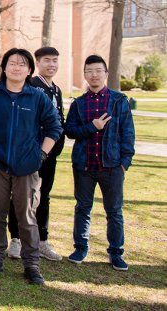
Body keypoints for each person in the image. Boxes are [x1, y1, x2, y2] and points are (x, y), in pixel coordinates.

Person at [0, 48, 62, 286]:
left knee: (27, 217)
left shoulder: (37, 97)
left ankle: (31, 265)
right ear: (4, 67)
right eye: (12, 63)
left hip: (27, 166)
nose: (17, 67)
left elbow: (54, 128)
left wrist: (41, 155)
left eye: (22, 64)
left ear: (29, 70)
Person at [65, 55, 135, 271]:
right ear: (85, 74)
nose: (94, 75)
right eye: (89, 71)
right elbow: (70, 131)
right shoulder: (79, 104)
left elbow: (128, 133)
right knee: (83, 208)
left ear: (105, 73)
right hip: (84, 166)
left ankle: (116, 252)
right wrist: (92, 126)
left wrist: (124, 162)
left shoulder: (118, 101)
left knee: (114, 211)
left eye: (98, 70)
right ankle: (80, 247)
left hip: (112, 166)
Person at [5, 46, 65, 261]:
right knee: (21, 196)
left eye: (55, 60)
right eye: (47, 60)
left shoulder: (56, 89)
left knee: (44, 196)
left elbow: (57, 123)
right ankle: (16, 239)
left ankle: (42, 240)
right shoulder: (31, 85)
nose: (52, 64)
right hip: (31, 153)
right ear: (37, 63)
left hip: (50, 154)